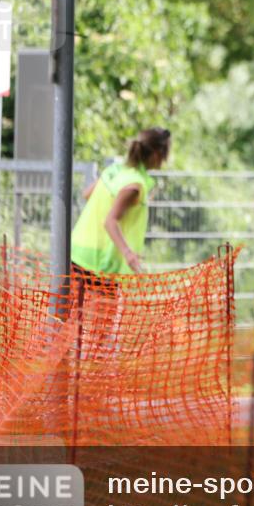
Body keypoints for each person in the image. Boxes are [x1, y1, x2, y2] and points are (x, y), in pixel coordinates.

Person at [69, 128, 169, 358]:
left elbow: (87, 194)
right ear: (156, 154)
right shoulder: (134, 186)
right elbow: (110, 221)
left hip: (76, 253)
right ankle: (89, 388)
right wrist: (129, 254)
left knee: (73, 329)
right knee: (100, 335)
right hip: (100, 263)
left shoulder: (115, 170)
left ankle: (68, 387)